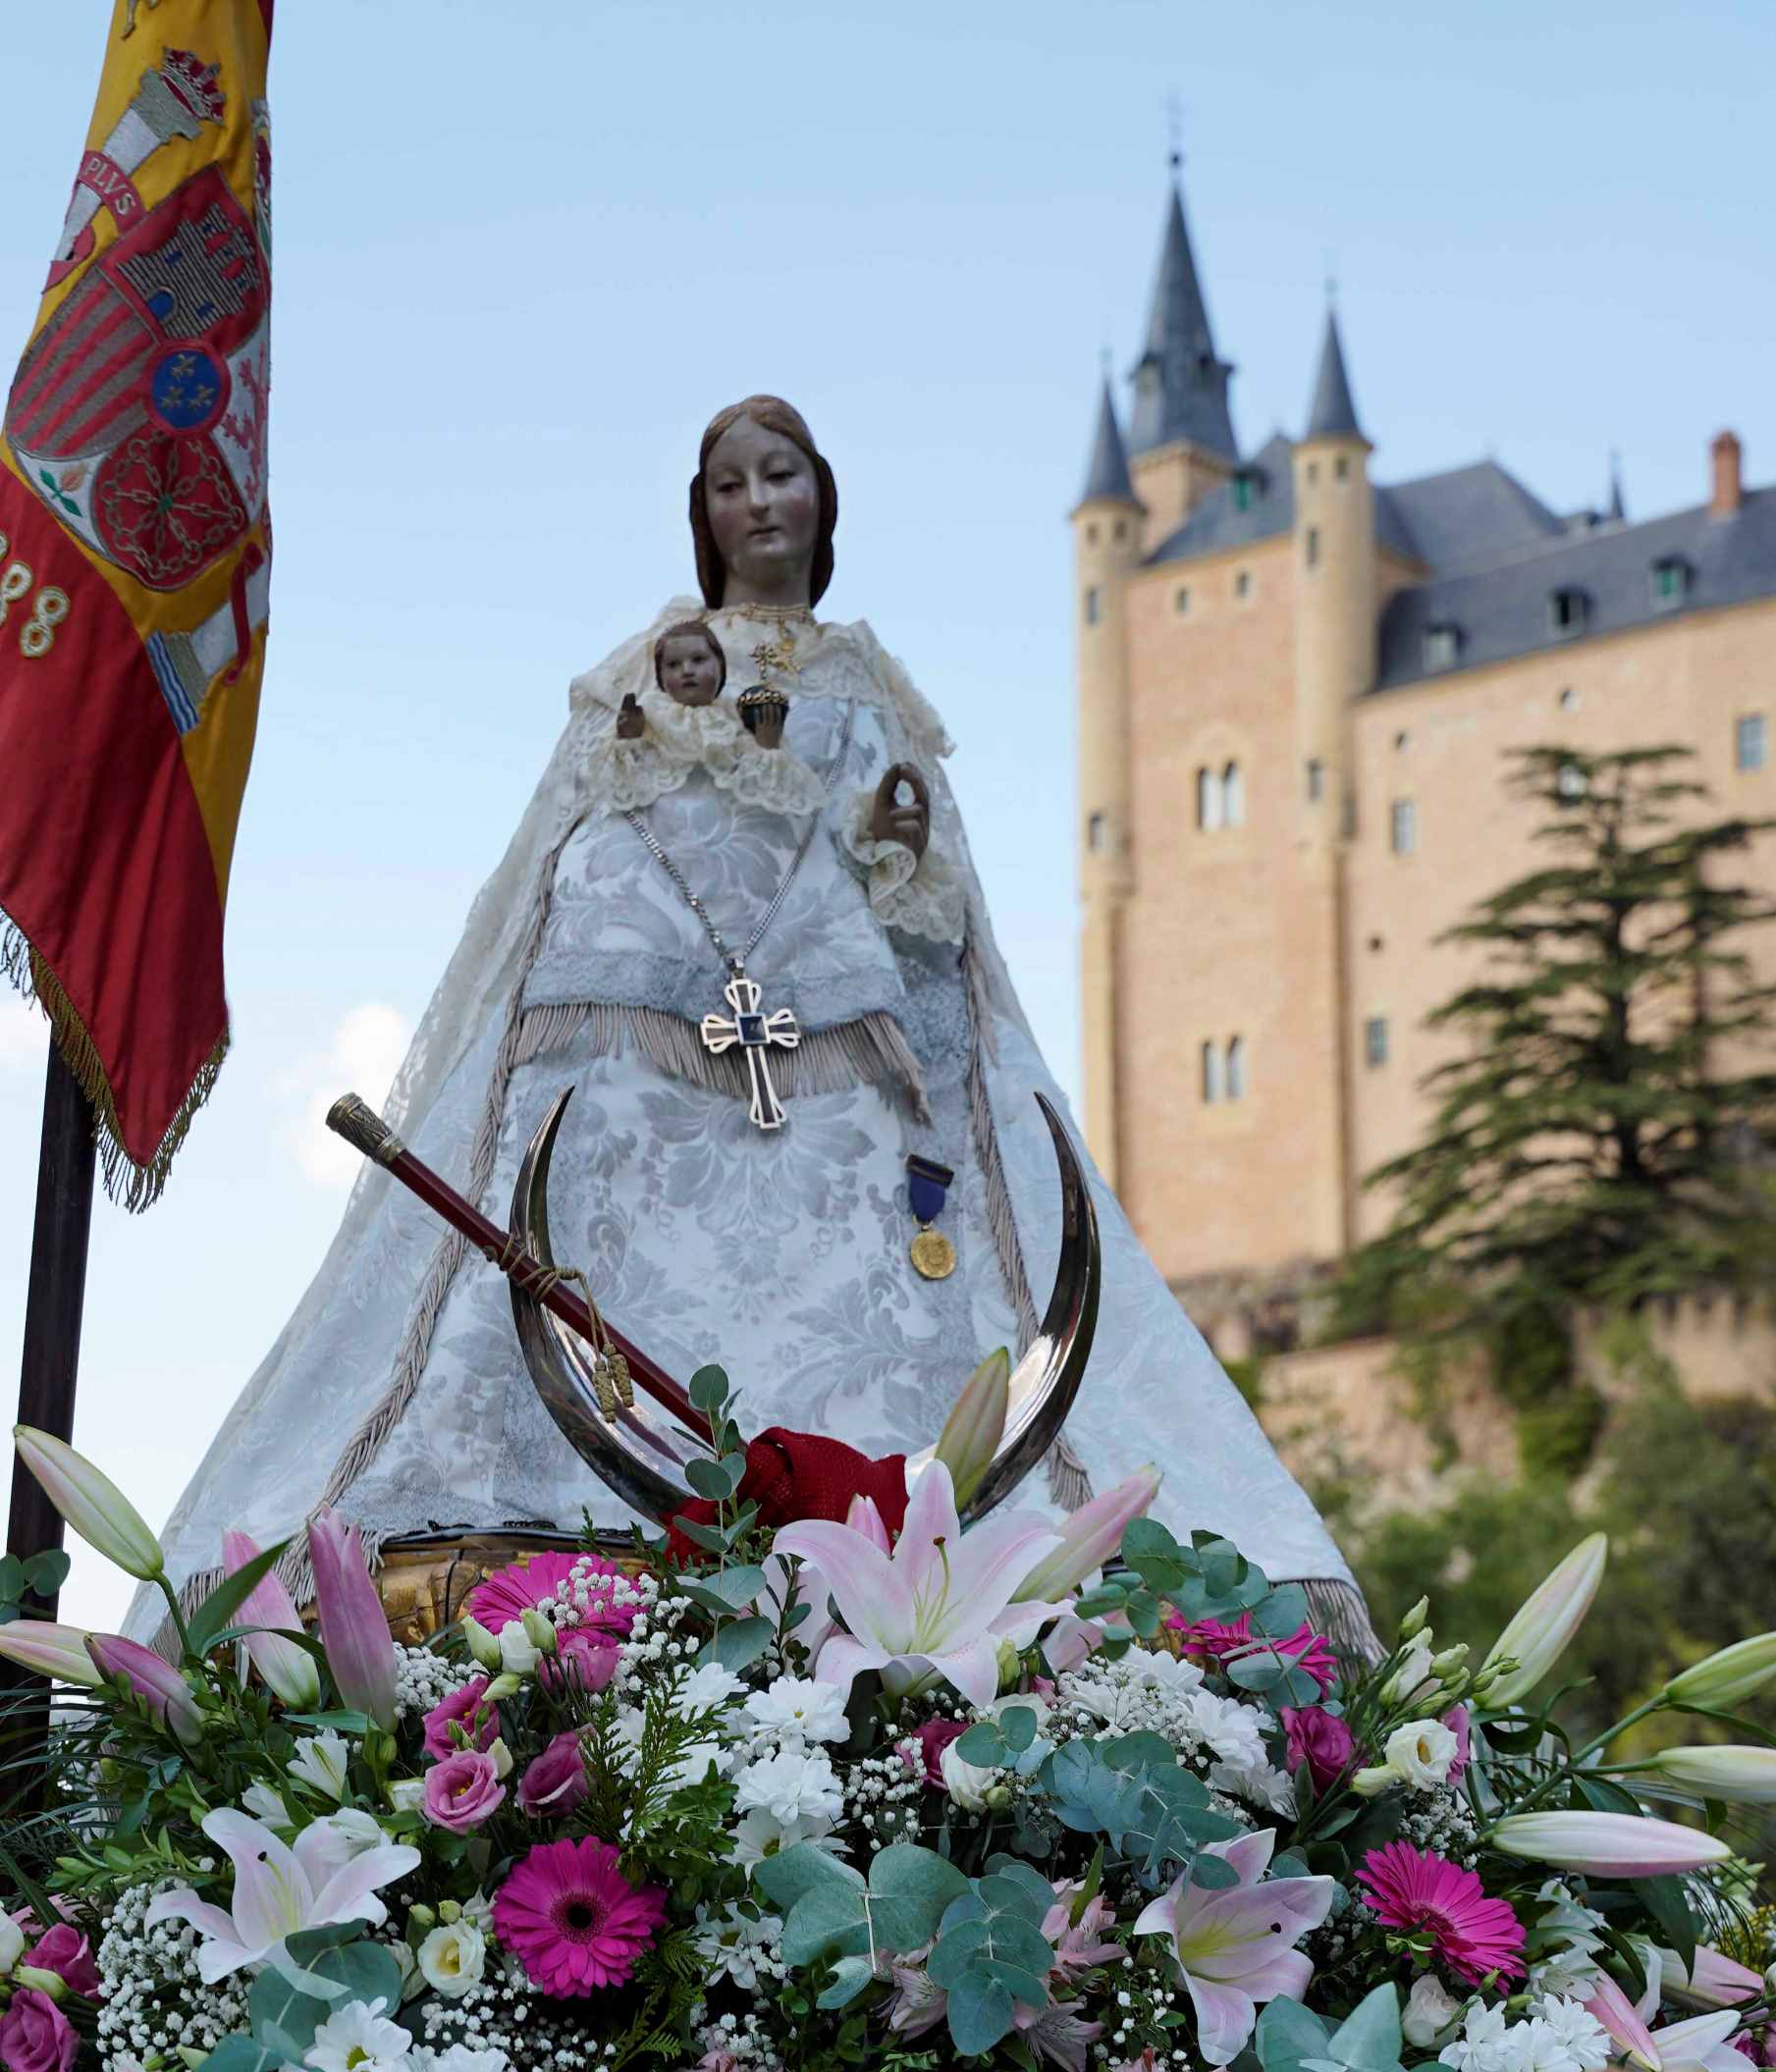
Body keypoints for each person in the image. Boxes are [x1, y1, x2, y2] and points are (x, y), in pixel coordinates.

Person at [131, 396, 1371, 1649]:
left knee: (928, 1280)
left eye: (782, 474)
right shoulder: (643, 682)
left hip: (854, 1097)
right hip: (649, 1080)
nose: (760, 501)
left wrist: (856, 956)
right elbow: (582, 865)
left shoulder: (878, 699)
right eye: (731, 482)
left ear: (823, 496)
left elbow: (936, 922)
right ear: (702, 513)